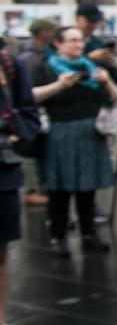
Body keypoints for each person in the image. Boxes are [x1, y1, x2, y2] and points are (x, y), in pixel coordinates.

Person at [31, 26, 117, 255]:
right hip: (61, 131)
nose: (78, 45)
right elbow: (31, 96)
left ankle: (89, 235)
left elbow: (113, 98)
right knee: (60, 189)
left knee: (87, 188)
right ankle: (58, 237)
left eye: (80, 40)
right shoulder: (47, 67)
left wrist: (107, 81)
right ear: (58, 43)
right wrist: (59, 85)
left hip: (91, 131)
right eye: (71, 40)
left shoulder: (90, 67)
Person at [0, 45, 40, 325]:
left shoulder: (9, 63)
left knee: (1, 250)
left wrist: (16, 135)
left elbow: (28, 112)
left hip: (3, 170)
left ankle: (0, 322)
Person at [17, 18, 56, 209]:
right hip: (34, 110)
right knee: (34, 150)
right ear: (43, 33)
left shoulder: (40, 54)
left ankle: (40, 187)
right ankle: (34, 189)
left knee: (41, 150)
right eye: (51, 30)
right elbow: (27, 89)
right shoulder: (29, 57)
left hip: (40, 109)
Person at [76, 3, 114, 67]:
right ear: (77, 18)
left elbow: (112, 70)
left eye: (96, 21)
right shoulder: (65, 41)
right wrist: (89, 58)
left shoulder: (99, 43)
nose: (93, 25)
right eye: (90, 21)